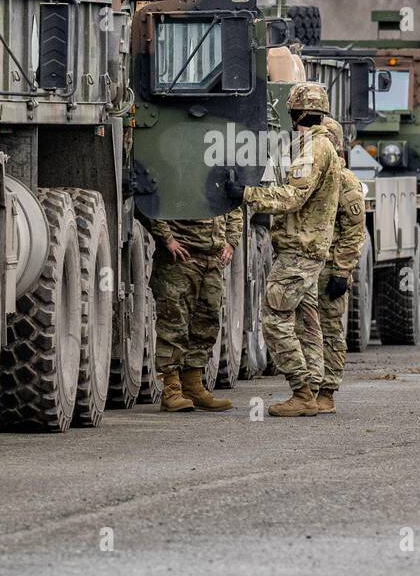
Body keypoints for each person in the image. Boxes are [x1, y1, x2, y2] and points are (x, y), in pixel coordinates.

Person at [225, 82, 340, 417]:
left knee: (274, 319)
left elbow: (293, 197)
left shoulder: (312, 149)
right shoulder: (323, 146)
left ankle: (302, 391)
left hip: (298, 253)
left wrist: (246, 194)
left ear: (295, 113)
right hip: (309, 252)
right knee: (307, 321)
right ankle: (315, 390)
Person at [148, 210, 242, 412]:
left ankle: (193, 386)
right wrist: (167, 238)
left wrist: (231, 241)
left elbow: (234, 206)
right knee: (174, 324)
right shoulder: (176, 176)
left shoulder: (218, 177)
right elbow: (152, 203)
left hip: (212, 259)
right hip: (181, 256)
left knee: (206, 324)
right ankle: (172, 390)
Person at [314, 118, 366, 414]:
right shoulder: (314, 175)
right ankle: (308, 388)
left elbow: (354, 231)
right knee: (307, 330)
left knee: (330, 331)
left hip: (332, 267)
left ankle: (327, 391)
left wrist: (342, 271)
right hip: (310, 265)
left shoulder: (345, 181)